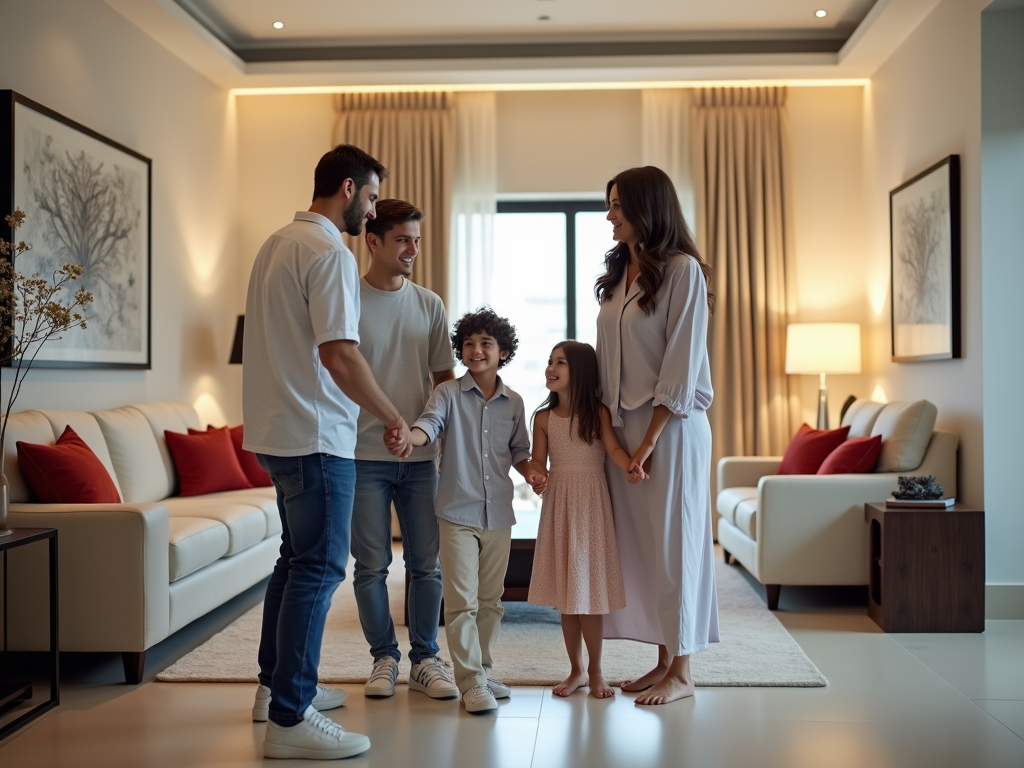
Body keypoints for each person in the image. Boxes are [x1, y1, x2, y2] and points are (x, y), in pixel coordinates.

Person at [243, 144, 413, 759]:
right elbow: (339, 353)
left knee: (295, 561)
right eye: (370, 199)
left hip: (277, 433)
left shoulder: (276, 244)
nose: (371, 212)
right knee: (318, 568)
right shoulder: (328, 253)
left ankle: (275, 691)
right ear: (348, 187)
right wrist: (394, 415)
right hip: (315, 437)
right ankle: (289, 719)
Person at [595, 165, 719, 706]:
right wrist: (613, 440)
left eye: (618, 204)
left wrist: (644, 445)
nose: (609, 214)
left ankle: (684, 672)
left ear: (649, 206)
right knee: (643, 551)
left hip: (669, 431)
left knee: (677, 544)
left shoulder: (683, 271)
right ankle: (663, 660)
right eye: (610, 204)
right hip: (625, 431)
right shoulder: (620, 272)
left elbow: (681, 366)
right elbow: (608, 362)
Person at [397, 308, 543, 714]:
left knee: (492, 600)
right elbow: (429, 424)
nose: (475, 350)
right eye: (468, 344)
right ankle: (471, 682)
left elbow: (519, 452)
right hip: (457, 512)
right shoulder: (446, 394)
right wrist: (411, 436)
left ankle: (483, 669)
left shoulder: (514, 402)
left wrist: (532, 472)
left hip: (498, 513)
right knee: (462, 601)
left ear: (504, 351)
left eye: (485, 343)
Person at [350, 199, 458, 700]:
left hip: (419, 460)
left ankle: (425, 659)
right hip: (359, 457)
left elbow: (444, 383)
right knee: (371, 566)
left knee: (426, 566)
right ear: (372, 240)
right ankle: (383, 659)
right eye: (402, 240)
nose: (413, 248)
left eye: (416, 239)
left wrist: (420, 433)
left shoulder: (429, 304)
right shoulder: (344, 298)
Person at [527, 340, 646, 699]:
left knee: (588, 594)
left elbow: (612, 448)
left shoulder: (598, 413)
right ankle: (576, 669)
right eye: (549, 361)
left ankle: (596, 670)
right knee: (567, 593)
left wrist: (632, 464)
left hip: (591, 505)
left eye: (559, 362)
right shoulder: (544, 418)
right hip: (560, 502)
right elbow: (537, 461)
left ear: (580, 372)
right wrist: (534, 475)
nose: (551, 367)